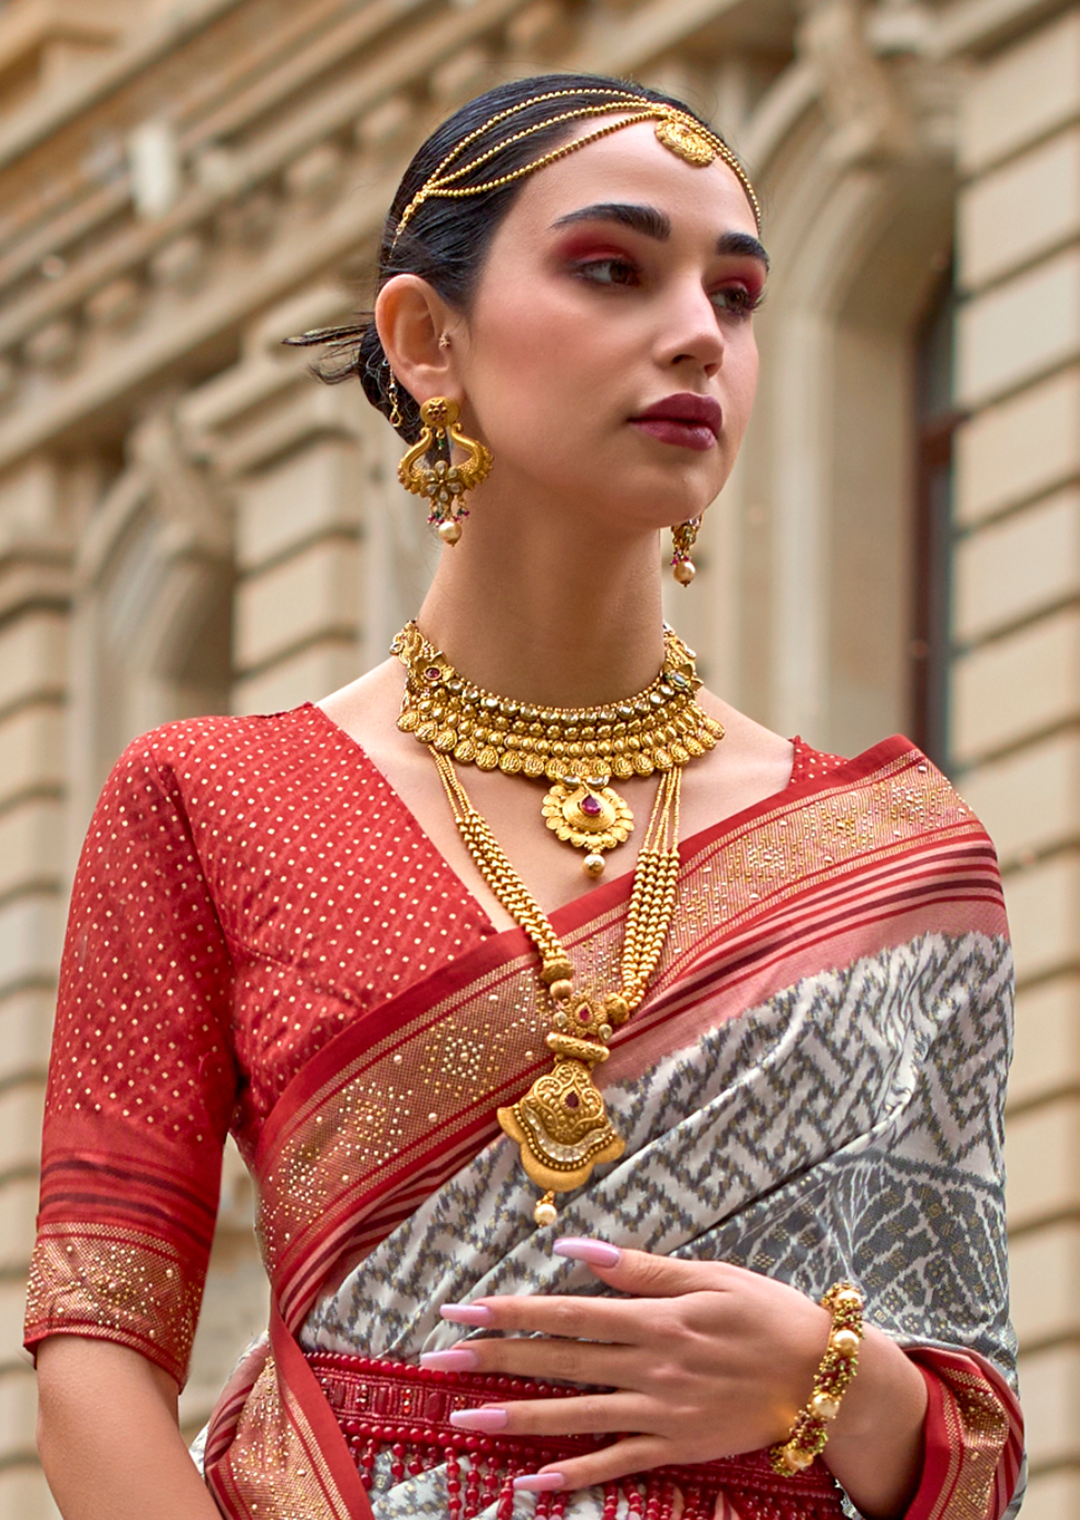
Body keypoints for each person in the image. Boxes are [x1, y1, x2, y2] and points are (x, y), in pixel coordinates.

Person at [26, 73, 1023, 1520]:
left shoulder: (899, 866)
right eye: (613, 270)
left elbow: (974, 1448)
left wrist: (822, 1372)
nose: (699, 334)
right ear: (429, 340)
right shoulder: (212, 799)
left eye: (737, 298)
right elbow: (96, 1360)